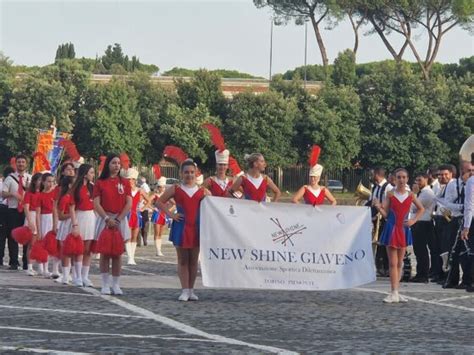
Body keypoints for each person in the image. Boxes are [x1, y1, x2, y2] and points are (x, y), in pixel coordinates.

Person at [155, 159, 210, 301]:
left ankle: (191, 290)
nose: (189, 175)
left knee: (193, 260)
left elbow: (213, 205)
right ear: (181, 173)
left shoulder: (203, 191)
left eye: (192, 172)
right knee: (183, 259)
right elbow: (159, 202)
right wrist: (171, 214)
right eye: (186, 172)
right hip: (181, 226)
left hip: (197, 228)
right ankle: (184, 290)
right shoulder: (176, 188)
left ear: (196, 173)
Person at [374, 168, 424, 303]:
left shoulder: (411, 195)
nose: (401, 180)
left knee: (399, 262)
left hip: (403, 229)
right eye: (399, 177)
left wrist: (413, 220)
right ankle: (393, 291)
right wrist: (378, 207)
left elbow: (421, 209)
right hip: (391, 228)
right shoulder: (390, 194)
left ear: (407, 179)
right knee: (392, 262)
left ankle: (397, 291)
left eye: (404, 177)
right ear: (394, 179)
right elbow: (385, 214)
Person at [93, 154, 132, 295]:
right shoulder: (100, 182)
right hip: (105, 218)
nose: (116, 165)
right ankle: (105, 284)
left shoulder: (125, 182)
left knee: (117, 253)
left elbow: (129, 203)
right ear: (108, 165)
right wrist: (106, 218)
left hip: (119, 219)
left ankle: (116, 284)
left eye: (118, 163)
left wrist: (118, 219)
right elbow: (96, 203)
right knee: (104, 253)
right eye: (113, 163)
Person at [436, 161, 470, 288]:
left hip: (469, 220)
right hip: (455, 219)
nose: (470, 173)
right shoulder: (452, 184)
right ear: (461, 171)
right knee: (453, 251)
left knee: (467, 252)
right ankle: (452, 279)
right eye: (468, 171)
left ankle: (467, 279)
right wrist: (462, 207)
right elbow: (447, 203)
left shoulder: (471, 184)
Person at [1, 154, 31, 270]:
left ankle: (26, 262)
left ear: (26, 164)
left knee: (27, 236)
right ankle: (14, 262)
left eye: (23, 162)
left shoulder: (31, 178)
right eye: (19, 162)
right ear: (16, 164)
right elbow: (3, 194)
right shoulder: (10, 178)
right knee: (13, 236)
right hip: (13, 210)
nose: (21, 164)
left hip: (27, 210)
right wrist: (13, 194)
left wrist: (28, 189)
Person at [70, 164, 96, 287]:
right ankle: (77, 276)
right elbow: (72, 207)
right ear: (85, 174)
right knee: (78, 249)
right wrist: (75, 223)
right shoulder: (76, 188)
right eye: (91, 172)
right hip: (80, 217)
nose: (93, 175)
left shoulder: (93, 188)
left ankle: (85, 276)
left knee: (88, 249)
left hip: (91, 217)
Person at [410, 173, 435, 283]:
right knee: (418, 249)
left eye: (419, 180)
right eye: (416, 180)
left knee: (421, 250)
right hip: (418, 222)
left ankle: (423, 274)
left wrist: (413, 194)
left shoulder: (427, 193)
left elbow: (414, 206)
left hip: (423, 223)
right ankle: (420, 273)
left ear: (426, 179)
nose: (417, 183)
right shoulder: (421, 192)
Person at [367, 168, 393, 277]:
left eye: (372, 174)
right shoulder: (375, 187)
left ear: (377, 175)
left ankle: (386, 267)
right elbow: (372, 201)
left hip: (385, 219)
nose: (370, 177)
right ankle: (379, 266)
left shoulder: (388, 187)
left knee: (384, 244)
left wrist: (380, 206)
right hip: (376, 218)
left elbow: (391, 203)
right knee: (378, 244)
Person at [431, 164, 454, 282]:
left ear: (451, 174)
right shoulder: (442, 187)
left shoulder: (453, 186)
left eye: (445, 174)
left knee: (446, 249)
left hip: (448, 220)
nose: (442, 177)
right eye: (440, 175)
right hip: (440, 219)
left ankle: (447, 276)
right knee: (439, 249)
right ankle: (440, 274)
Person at [125, 168, 151, 265]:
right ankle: (129, 257)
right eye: (128, 179)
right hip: (127, 214)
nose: (130, 181)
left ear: (135, 180)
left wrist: (142, 208)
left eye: (131, 179)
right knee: (128, 236)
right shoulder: (125, 190)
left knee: (134, 236)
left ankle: (132, 257)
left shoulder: (140, 190)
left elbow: (149, 200)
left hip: (136, 214)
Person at [56, 176, 77, 285]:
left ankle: (73, 275)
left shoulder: (76, 197)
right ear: (69, 185)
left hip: (75, 225)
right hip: (66, 225)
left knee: (75, 251)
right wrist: (73, 214)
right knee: (66, 251)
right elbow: (60, 216)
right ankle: (65, 275)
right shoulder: (65, 198)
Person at [36, 173, 57, 277]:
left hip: (52, 219)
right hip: (44, 219)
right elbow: (38, 213)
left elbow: (56, 210)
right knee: (42, 243)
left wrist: (55, 224)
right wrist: (39, 230)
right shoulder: (40, 195)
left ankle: (47, 268)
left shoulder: (54, 194)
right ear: (43, 182)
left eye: (52, 182)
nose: (50, 184)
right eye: (48, 181)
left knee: (51, 244)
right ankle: (41, 268)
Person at [23, 173, 42, 276]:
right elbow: (26, 207)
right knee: (31, 243)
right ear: (34, 181)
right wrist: (30, 221)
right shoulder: (29, 193)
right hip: (32, 216)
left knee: (40, 243)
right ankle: (29, 266)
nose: (41, 182)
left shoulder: (43, 193)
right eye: (39, 180)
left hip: (41, 217)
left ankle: (40, 267)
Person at [460, 153, 474, 293]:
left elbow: (469, 205)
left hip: (473, 219)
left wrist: (466, 227)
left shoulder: (471, 181)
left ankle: (471, 281)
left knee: (472, 252)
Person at [151, 177, 172, 257]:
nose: (163, 188)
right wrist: (152, 208)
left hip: (163, 214)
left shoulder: (166, 195)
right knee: (156, 232)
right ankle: (157, 250)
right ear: (158, 187)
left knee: (161, 233)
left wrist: (168, 210)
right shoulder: (155, 195)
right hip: (157, 214)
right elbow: (148, 201)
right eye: (161, 187)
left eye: (163, 187)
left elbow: (174, 203)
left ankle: (160, 249)